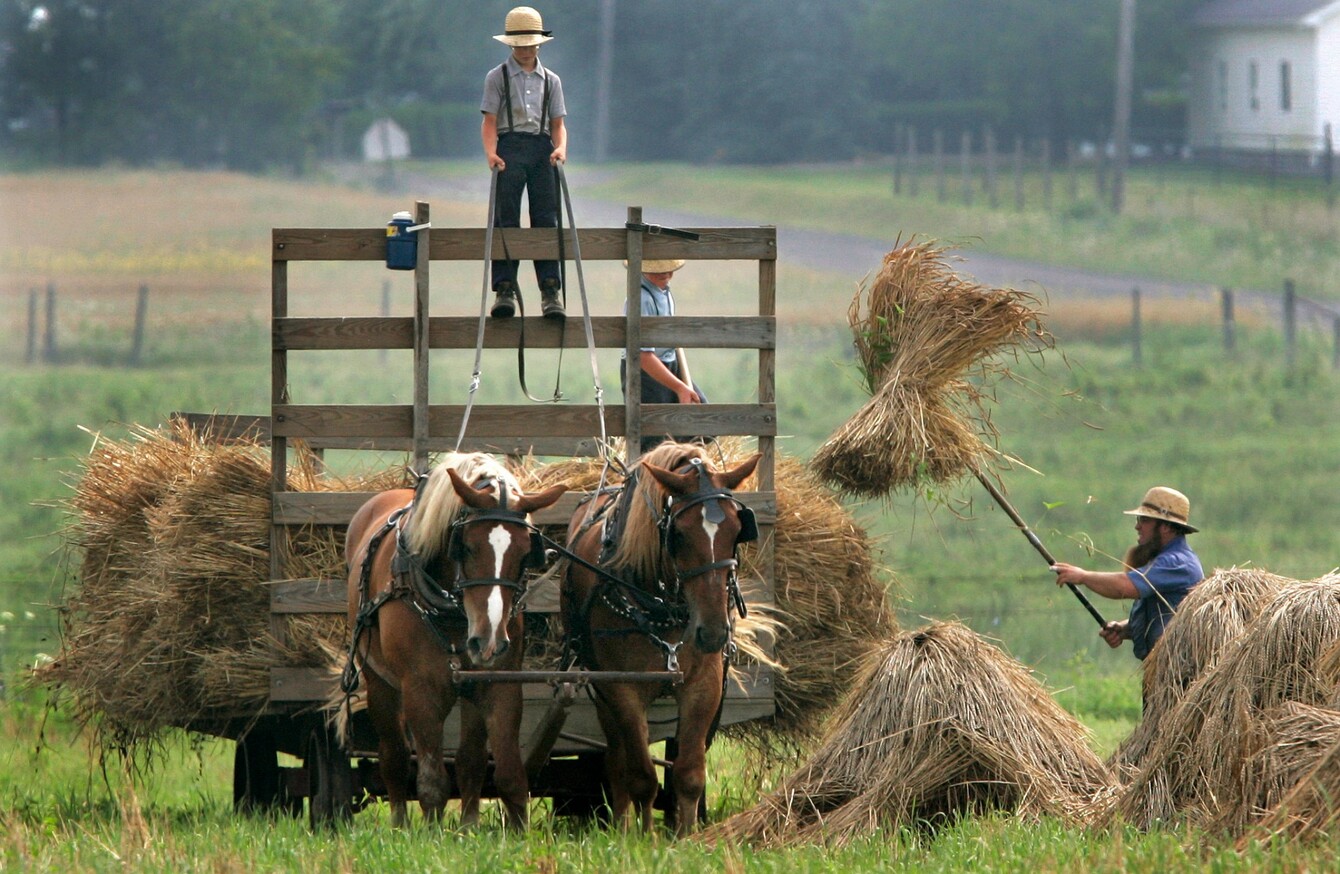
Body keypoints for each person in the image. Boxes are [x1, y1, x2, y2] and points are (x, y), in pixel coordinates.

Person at [480, 6, 567, 321]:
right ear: (510, 45)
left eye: (530, 42)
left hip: (542, 148)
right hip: (510, 146)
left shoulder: (551, 80)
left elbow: (558, 123)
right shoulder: (497, 77)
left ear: (539, 43)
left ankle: (550, 289)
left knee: (546, 217)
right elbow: (490, 121)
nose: (526, 49)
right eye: (520, 43)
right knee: (506, 218)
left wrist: (560, 149)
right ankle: (505, 288)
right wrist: (491, 152)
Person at [1052, 486, 1204, 660]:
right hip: (1163, 670)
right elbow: (1163, 618)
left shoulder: (1176, 562)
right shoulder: (1165, 561)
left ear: (1166, 527)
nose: (1137, 526)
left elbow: (1124, 586)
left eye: (1144, 520)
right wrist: (1126, 629)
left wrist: (1082, 576)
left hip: (1179, 672)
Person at [620, 259, 709, 452]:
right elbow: (643, 356)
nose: (666, 274)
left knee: (701, 419)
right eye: (658, 270)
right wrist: (679, 387)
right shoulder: (641, 299)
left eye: (669, 269)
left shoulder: (665, 292)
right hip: (646, 372)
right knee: (653, 434)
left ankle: (683, 467)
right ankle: (648, 476)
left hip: (670, 363)